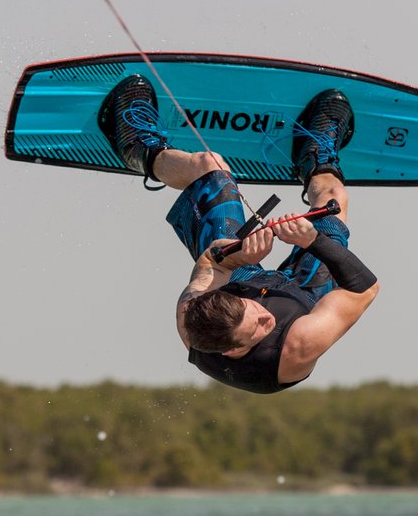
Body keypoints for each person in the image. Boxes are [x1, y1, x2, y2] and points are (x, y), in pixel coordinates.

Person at [101, 74, 379, 394]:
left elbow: (212, 264)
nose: (266, 317)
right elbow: (365, 290)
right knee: (334, 198)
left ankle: (139, 149)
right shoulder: (299, 344)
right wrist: (312, 240)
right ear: (234, 350)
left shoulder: (192, 314)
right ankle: (314, 154)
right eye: (258, 326)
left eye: (254, 311)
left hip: (242, 276)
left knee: (210, 164)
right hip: (305, 293)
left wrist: (239, 256)